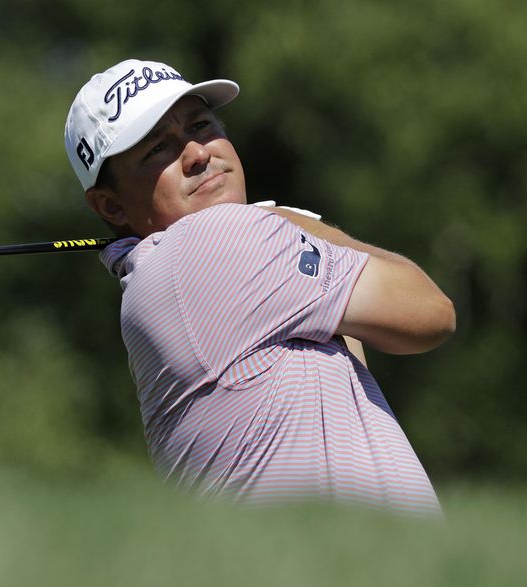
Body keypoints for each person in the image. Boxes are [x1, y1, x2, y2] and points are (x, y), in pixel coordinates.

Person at [64, 59, 456, 515]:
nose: (197, 154)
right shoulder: (215, 241)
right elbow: (430, 313)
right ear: (110, 205)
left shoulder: (160, 275)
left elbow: (356, 340)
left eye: (202, 124)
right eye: (158, 150)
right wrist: (299, 225)